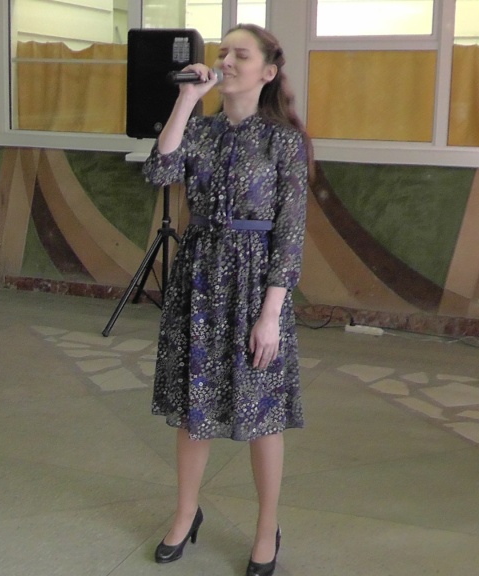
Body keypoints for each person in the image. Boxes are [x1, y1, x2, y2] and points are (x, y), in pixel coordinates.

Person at [142, 24, 311, 576]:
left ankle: (266, 527)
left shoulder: (284, 141)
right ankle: (185, 512)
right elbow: (160, 169)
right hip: (199, 280)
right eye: (222, 53)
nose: (227, 61)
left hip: (257, 285)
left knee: (263, 413)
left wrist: (270, 315)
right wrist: (187, 99)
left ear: (267, 72)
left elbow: (290, 232)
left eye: (241, 54)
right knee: (195, 407)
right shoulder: (200, 128)